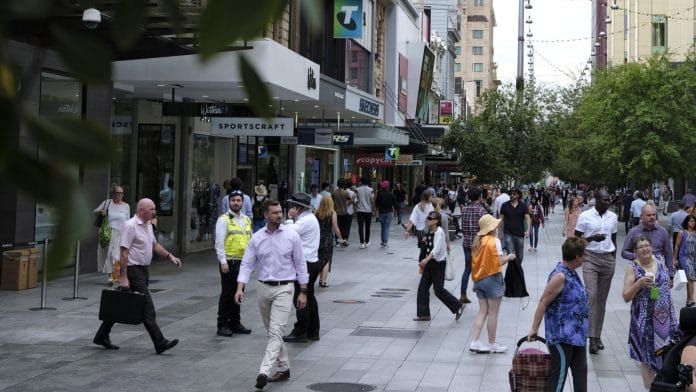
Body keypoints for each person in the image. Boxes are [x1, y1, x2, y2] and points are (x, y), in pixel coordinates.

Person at [234, 200, 308, 390]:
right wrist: (240, 288)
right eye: (274, 212)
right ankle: (284, 368)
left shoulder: (292, 236)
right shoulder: (257, 238)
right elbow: (247, 264)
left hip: (285, 288)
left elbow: (301, 264)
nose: (279, 215)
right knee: (272, 331)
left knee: (276, 331)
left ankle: (264, 371)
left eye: (280, 211)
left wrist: (303, 291)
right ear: (265, 215)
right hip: (263, 288)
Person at [93, 198, 181, 354]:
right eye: (152, 209)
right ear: (141, 210)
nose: (154, 212)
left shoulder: (148, 225)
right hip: (133, 271)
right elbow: (123, 252)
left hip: (143, 271)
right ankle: (159, 342)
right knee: (148, 308)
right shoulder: (130, 226)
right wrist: (124, 277)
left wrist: (170, 256)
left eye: (154, 209)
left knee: (120, 303)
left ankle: (102, 335)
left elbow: (154, 245)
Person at [527, 237, 589, 392]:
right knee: (558, 379)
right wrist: (534, 328)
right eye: (584, 255)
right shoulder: (560, 276)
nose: (586, 257)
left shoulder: (572, 272)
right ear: (577, 257)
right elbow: (543, 302)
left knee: (581, 374)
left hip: (577, 336)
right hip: (561, 337)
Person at [622, 235, 679, 388]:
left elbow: (667, 286)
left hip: (666, 319)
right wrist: (639, 284)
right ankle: (651, 388)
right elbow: (626, 296)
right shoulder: (632, 267)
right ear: (635, 251)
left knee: (666, 354)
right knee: (647, 358)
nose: (645, 249)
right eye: (641, 247)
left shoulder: (659, 261)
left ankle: (662, 386)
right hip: (644, 322)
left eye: (647, 245)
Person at [574, 190, 618, 354]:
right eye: (605, 199)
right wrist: (592, 238)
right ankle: (591, 338)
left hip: (607, 259)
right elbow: (576, 240)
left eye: (609, 199)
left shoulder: (612, 217)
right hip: (590, 257)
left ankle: (597, 335)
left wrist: (613, 259)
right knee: (591, 296)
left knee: (601, 300)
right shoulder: (585, 216)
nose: (608, 202)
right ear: (597, 200)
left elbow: (614, 240)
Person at [468, 214, 515, 354]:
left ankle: (475, 341)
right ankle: (492, 343)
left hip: (479, 280)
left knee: (482, 311)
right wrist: (510, 257)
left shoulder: (478, 241)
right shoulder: (494, 241)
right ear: (492, 227)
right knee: (493, 313)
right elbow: (499, 262)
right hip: (492, 278)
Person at [283, 193, 321, 343]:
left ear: (298, 208)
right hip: (311, 262)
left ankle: (301, 331)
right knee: (309, 297)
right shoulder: (309, 219)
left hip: (305, 263)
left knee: (301, 297)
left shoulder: (305, 220)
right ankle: (313, 330)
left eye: (293, 206)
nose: (291, 208)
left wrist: (289, 219)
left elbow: (289, 232)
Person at [214, 190, 253, 337]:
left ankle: (235, 323)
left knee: (239, 292)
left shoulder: (246, 219)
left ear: (243, 202)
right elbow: (219, 242)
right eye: (233, 200)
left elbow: (251, 240)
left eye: (238, 200)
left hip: (243, 262)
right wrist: (223, 261)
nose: (236, 203)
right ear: (229, 202)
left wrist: (251, 262)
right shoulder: (224, 219)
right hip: (229, 262)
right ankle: (222, 324)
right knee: (227, 294)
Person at [413, 211, 463, 321]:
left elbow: (435, 250)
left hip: (438, 264)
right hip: (429, 264)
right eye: (428, 218)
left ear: (436, 221)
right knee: (422, 288)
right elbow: (426, 246)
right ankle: (424, 314)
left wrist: (426, 259)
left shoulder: (439, 232)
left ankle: (457, 305)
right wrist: (424, 242)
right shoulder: (429, 231)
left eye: (430, 218)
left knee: (438, 290)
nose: (428, 220)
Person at [622, 204, 674, 278]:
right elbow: (624, 252)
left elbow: (668, 254)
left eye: (653, 215)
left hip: (658, 273)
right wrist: (640, 256)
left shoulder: (663, 232)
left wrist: (670, 275)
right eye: (648, 215)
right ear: (641, 216)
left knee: (656, 290)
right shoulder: (633, 232)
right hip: (638, 272)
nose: (652, 217)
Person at [93, 185, 130, 284]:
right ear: (113, 194)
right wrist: (102, 212)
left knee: (116, 255)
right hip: (108, 233)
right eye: (117, 193)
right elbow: (94, 212)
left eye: (121, 193)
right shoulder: (107, 203)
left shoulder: (126, 206)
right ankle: (112, 276)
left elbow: (128, 222)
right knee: (110, 255)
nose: (119, 195)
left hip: (121, 233)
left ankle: (114, 277)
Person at [460, 187, 488, 305]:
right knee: (481, 268)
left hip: (466, 242)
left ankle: (463, 294)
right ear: (480, 197)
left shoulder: (464, 210)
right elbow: (487, 228)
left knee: (467, 269)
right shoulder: (481, 211)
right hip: (479, 244)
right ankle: (482, 293)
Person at [316, 196, 344, 288]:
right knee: (327, 259)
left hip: (317, 238)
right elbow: (335, 227)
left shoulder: (316, 212)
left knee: (320, 258)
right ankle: (323, 281)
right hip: (327, 238)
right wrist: (340, 238)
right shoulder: (332, 213)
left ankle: (320, 279)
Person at [499, 189, 530, 265]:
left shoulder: (523, 205)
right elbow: (501, 219)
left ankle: (518, 268)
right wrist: (499, 232)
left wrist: (528, 230)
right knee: (510, 255)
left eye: (514, 194)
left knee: (520, 256)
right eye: (510, 194)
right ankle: (512, 270)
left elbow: (528, 218)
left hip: (520, 234)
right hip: (508, 233)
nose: (511, 195)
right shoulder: (505, 205)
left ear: (518, 195)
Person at [404, 190, 435, 261]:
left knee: (423, 248)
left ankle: (423, 262)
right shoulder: (430, 206)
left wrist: (407, 230)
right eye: (431, 196)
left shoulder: (417, 206)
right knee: (428, 248)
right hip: (428, 231)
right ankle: (424, 263)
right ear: (428, 197)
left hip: (419, 232)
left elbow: (412, 220)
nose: (432, 197)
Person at [676, 215, 696, 307]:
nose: (692, 223)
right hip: (684, 257)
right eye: (690, 221)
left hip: (694, 258)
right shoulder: (682, 233)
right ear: (687, 222)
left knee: (691, 278)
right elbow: (677, 246)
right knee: (689, 277)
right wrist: (674, 258)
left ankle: (689, 298)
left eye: (693, 221)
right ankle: (691, 299)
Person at [375, 180, 397, 248]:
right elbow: (395, 203)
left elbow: (376, 204)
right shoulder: (391, 194)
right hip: (389, 212)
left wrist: (377, 210)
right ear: (388, 187)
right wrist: (395, 210)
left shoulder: (379, 194)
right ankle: (385, 242)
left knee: (383, 227)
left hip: (381, 212)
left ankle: (383, 241)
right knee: (386, 227)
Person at [355, 177, 375, 249]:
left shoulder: (357, 189)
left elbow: (355, 199)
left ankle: (362, 243)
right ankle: (367, 241)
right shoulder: (371, 190)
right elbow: (372, 200)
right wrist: (373, 209)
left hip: (360, 210)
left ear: (362, 182)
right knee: (367, 226)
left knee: (360, 227)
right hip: (368, 211)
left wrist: (357, 205)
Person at [332, 179, 350, 247]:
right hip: (344, 212)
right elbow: (349, 199)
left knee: (337, 226)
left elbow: (332, 200)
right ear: (344, 185)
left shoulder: (334, 193)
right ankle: (343, 240)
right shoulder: (345, 193)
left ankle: (337, 241)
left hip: (336, 212)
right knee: (344, 227)